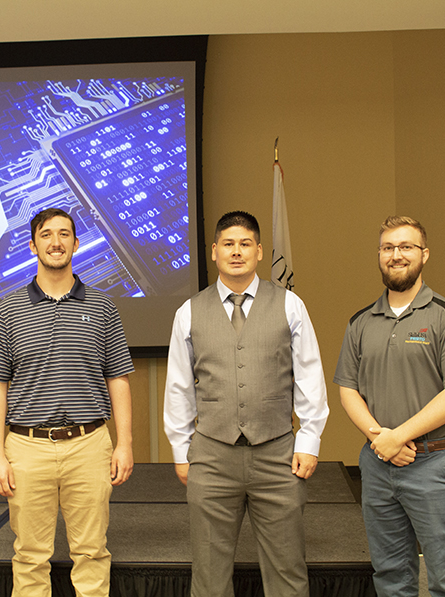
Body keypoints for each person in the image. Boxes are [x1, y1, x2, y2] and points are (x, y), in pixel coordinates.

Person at [163, 211, 329, 597]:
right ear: (215, 251)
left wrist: (309, 440)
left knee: (287, 570)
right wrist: (180, 449)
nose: (236, 252)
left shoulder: (290, 305)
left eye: (245, 244)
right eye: (228, 244)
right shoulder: (188, 312)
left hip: (278, 455)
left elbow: (309, 375)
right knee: (208, 575)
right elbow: (179, 386)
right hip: (211, 456)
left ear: (258, 252)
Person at [0, 207, 134, 597]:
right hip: (27, 448)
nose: (56, 242)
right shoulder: (8, 309)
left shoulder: (102, 307)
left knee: (92, 552)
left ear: (76, 244)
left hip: (89, 445)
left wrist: (125, 443)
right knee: (30, 555)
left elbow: (118, 379)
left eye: (65, 234)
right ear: (33, 246)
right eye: (47, 235)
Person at [334, 215, 445, 597]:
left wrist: (398, 437)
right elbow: (348, 388)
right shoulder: (361, 322)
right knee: (391, 575)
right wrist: (380, 440)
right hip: (378, 465)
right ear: (379, 256)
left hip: (435, 465)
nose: (396, 255)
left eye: (406, 247)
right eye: (388, 248)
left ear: (424, 255)